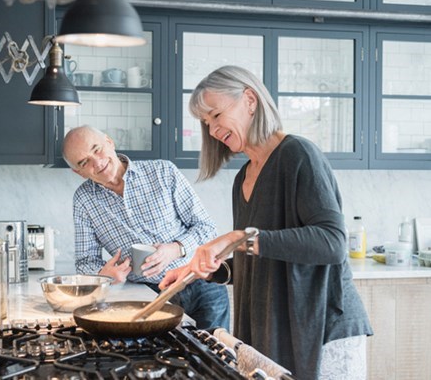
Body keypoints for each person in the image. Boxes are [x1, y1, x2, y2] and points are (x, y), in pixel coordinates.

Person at [159, 66, 373, 380]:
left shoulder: (298, 155)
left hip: (323, 328)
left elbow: (332, 243)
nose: (213, 130)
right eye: (206, 122)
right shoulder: (243, 178)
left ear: (250, 99)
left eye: (217, 115)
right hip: (276, 328)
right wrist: (205, 270)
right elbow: (260, 256)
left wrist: (238, 237)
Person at [62, 125, 230, 330]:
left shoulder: (163, 171)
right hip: (151, 294)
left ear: (109, 141)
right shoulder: (83, 200)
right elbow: (85, 262)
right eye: (84, 162)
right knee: (166, 358)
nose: (97, 162)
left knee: (215, 355)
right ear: (77, 172)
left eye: (96, 149)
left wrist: (175, 249)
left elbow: (207, 228)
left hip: (202, 281)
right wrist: (104, 275)